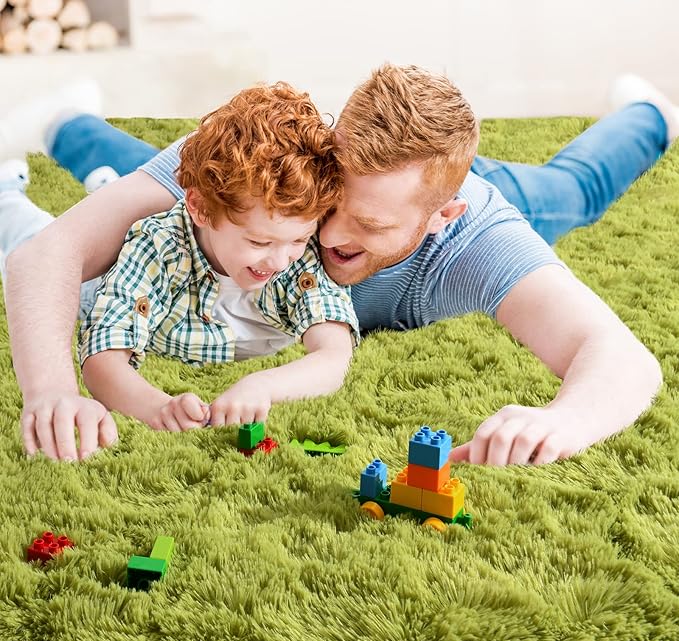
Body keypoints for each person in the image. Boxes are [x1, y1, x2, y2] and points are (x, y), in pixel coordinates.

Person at [1, 67, 672, 465]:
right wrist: (52, 389)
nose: (327, 235)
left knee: (572, 193)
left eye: (369, 226)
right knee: (175, 182)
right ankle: (67, 120)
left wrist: (562, 422)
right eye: (331, 203)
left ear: (443, 216)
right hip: (267, 193)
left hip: (487, 192)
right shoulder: (288, 175)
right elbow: (49, 252)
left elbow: (622, 358)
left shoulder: (476, 237)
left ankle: (653, 111)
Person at [0, 83, 360, 441]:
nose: (281, 260)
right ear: (200, 209)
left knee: (114, 196)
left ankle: (104, 179)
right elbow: (102, 359)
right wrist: (157, 407)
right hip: (93, 286)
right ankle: (6, 190)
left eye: (297, 240)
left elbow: (334, 355)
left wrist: (264, 386)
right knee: (32, 234)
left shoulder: (301, 254)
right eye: (258, 242)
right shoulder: (156, 246)